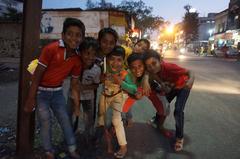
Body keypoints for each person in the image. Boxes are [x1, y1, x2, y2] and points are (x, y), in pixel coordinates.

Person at [24, 17, 85, 159]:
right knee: (45, 123)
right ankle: (48, 151)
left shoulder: (77, 59)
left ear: (82, 38)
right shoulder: (51, 49)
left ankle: (72, 148)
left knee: (65, 120)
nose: (74, 38)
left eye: (78, 35)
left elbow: (74, 85)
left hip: (57, 93)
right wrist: (30, 98)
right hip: (41, 93)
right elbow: (37, 76)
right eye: (70, 34)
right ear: (63, 35)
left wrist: (77, 106)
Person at [143, 50, 194, 152]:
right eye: (149, 66)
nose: (152, 67)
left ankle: (179, 138)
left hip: (183, 86)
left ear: (160, 60)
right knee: (163, 104)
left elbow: (189, 72)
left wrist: (191, 80)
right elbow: (147, 73)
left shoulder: (169, 67)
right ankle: (157, 119)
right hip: (173, 86)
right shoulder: (152, 71)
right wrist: (162, 85)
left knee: (178, 111)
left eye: (154, 63)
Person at [97, 46, 138, 158]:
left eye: (119, 60)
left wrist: (120, 82)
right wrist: (102, 78)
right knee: (102, 120)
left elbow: (134, 88)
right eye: (112, 59)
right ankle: (108, 143)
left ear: (123, 61)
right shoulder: (104, 68)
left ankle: (123, 147)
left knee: (117, 121)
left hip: (117, 98)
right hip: (104, 97)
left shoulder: (125, 73)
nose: (115, 63)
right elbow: (99, 80)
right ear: (108, 59)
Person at [68, 37, 101, 143]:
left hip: (88, 97)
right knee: (69, 116)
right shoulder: (74, 64)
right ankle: (69, 137)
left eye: (93, 54)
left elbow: (96, 85)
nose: (90, 57)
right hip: (72, 96)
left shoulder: (96, 70)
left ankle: (88, 138)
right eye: (87, 53)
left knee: (88, 120)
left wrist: (83, 87)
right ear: (80, 53)